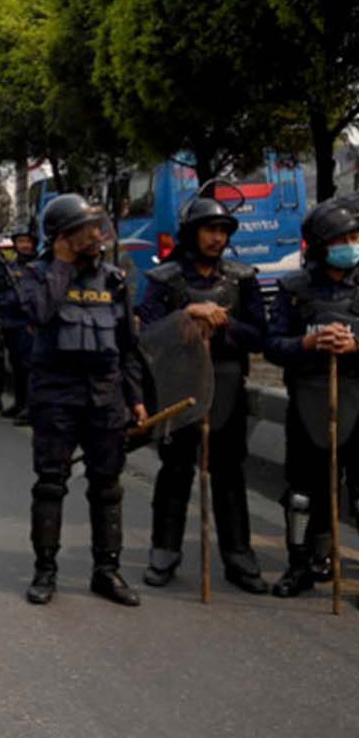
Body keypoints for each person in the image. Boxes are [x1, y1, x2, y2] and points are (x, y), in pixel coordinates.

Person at [137, 193, 269, 594]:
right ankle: (164, 550)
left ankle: (238, 554)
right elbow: (148, 335)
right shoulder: (164, 280)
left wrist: (223, 324)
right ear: (192, 233)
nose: (217, 238)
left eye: (223, 231)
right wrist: (186, 316)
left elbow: (259, 337)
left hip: (227, 383)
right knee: (176, 469)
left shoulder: (242, 279)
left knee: (228, 471)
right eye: (210, 230)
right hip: (180, 386)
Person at [18, 193, 145, 607]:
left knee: (107, 485)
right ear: (62, 237)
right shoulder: (37, 275)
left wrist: (135, 397)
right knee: (50, 484)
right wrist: (61, 264)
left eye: (96, 227)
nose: (95, 235)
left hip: (105, 395)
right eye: (84, 230)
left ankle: (107, 570)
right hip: (56, 394)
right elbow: (39, 313)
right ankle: (45, 571)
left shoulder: (114, 280)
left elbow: (127, 346)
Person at [264, 199, 359, 598]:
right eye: (341, 240)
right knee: (303, 493)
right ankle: (302, 564)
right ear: (320, 246)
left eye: (354, 237)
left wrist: (355, 344)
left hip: (356, 397)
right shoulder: (294, 290)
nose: (350, 246)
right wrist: (306, 343)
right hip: (308, 399)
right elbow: (272, 345)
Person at [0, 220, 36, 424]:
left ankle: (30, 407)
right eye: (20, 241)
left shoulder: (38, 266)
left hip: (27, 323)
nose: (24, 245)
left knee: (28, 366)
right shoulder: (9, 266)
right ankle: (20, 403)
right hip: (9, 321)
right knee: (17, 365)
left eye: (28, 241)